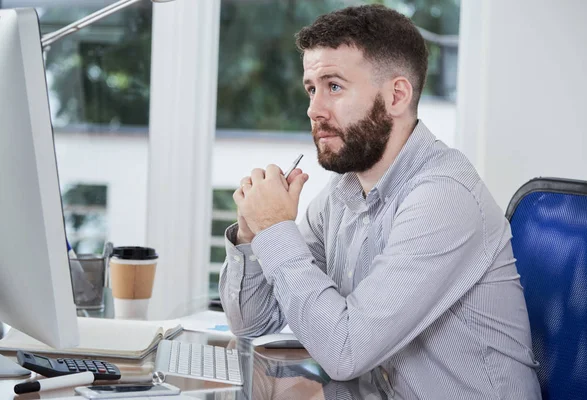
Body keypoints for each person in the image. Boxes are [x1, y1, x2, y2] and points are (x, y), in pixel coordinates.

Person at [219, 4, 542, 399]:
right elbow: (254, 323)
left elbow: (345, 352)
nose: (313, 109)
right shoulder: (341, 195)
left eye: (333, 86)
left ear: (396, 95)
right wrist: (253, 235)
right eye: (311, 88)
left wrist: (275, 228)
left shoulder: (443, 197)